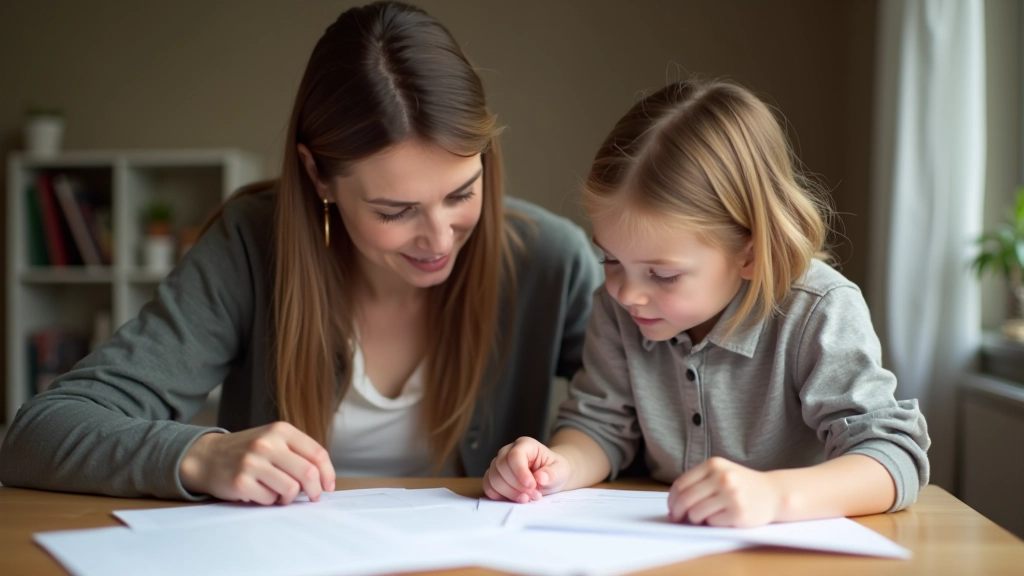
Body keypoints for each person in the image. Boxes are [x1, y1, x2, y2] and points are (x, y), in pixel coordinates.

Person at [0, 1, 601, 505]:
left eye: (462, 194)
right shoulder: (250, 246)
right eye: (395, 211)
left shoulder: (549, 260)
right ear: (317, 175)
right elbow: (38, 434)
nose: (440, 238)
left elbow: (632, 416)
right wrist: (201, 455)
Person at [482, 79, 930, 528]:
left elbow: (892, 456)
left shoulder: (819, 310)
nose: (626, 293)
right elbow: (600, 426)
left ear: (749, 254)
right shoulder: (617, 309)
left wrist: (773, 496)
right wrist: (558, 465)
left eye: (663, 274)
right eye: (611, 259)